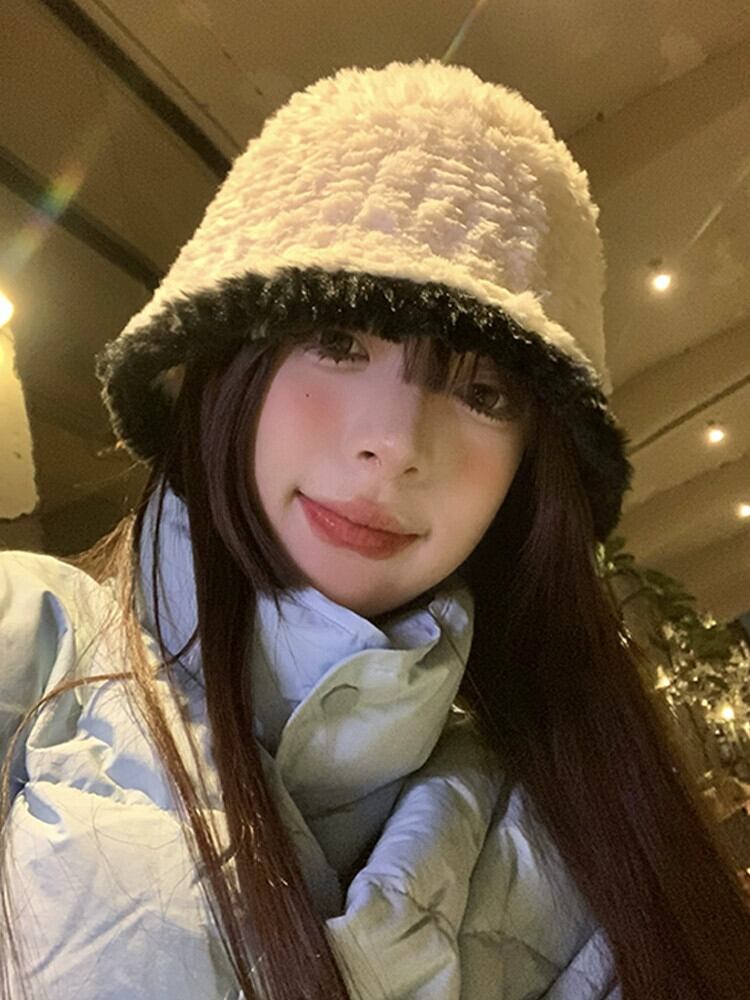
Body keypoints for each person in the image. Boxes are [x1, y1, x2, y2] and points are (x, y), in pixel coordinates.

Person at [0, 58, 748, 1000]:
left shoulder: (583, 836)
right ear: (229, 365)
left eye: (484, 394)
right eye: (337, 342)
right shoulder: (31, 647)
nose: (394, 446)